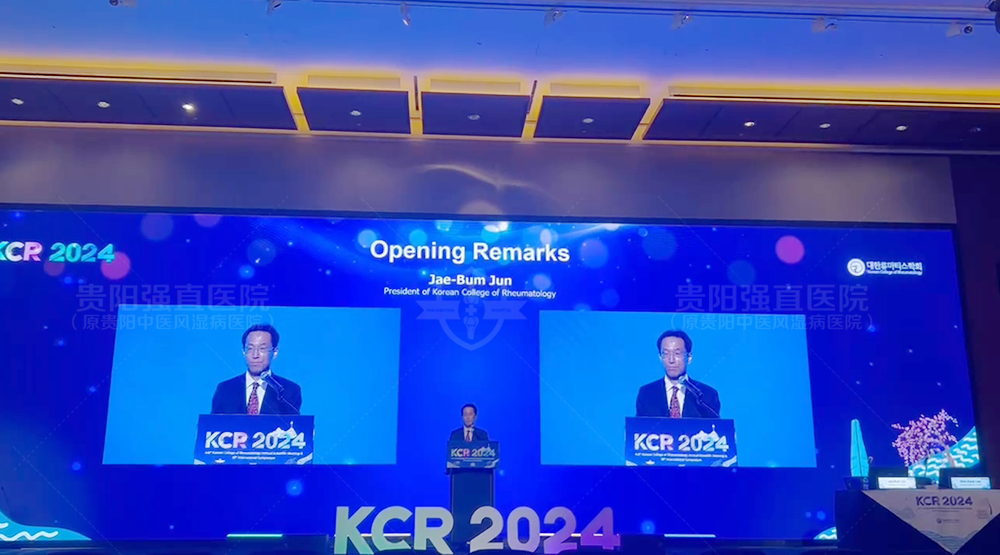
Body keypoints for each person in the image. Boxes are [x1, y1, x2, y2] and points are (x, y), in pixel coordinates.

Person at [211, 324, 302, 415]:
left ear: (275, 352)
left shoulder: (288, 390)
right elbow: (213, 423)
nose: (255, 355)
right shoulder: (225, 389)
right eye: (250, 348)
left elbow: (293, 423)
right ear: (244, 351)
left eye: (262, 349)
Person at [635, 330, 721, 418]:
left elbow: (715, 425)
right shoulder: (646, 394)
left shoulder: (707, 395)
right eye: (666, 354)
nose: (671, 360)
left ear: (689, 357)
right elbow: (639, 426)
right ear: (660, 357)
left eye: (677, 353)